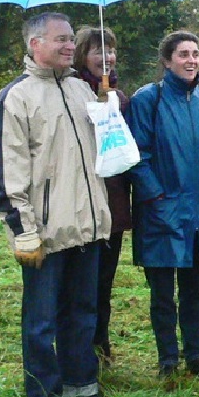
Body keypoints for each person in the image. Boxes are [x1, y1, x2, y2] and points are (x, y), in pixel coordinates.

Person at [0, 12, 112, 397]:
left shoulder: (84, 90)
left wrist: (108, 108)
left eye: (70, 40)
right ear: (35, 45)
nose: (69, 46)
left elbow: (104, 153)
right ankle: (44, 394)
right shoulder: (15, 98)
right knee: (41, 320)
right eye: (60, 40)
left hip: (88, 225)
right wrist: (23, 229)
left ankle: (81, 381)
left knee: (82, 312)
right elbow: (6, 173)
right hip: (44, 230)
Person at [128, 31, 199, 379]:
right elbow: (137, 156)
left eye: (196, 54)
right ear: (167, 60)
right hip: (161, 211)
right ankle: (167, 360)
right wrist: (156, 197)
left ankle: (196, 356)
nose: (191, 60)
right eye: (184, 54)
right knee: (161, 294)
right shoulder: (149, 99)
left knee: (194, 292)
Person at [73, 25, 132, 365]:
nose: (107, 57)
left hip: (113, 204)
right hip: (81, 204)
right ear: (83, 55)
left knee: (104, 282)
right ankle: (77, 349)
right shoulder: (73, 93)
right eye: (98, 50)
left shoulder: (120, 98)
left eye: (110, 50)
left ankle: (101, 343)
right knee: (81, 283)